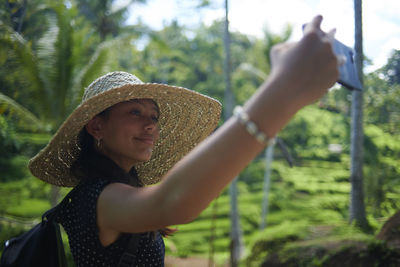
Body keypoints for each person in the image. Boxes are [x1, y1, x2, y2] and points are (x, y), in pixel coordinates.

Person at [28, 15, 339, 266]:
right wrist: (284, 91)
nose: (150, 124)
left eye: (154, 116)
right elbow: (171, 202)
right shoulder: (96, 198)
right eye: (135, 112)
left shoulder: (115, 193)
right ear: (97, 126)